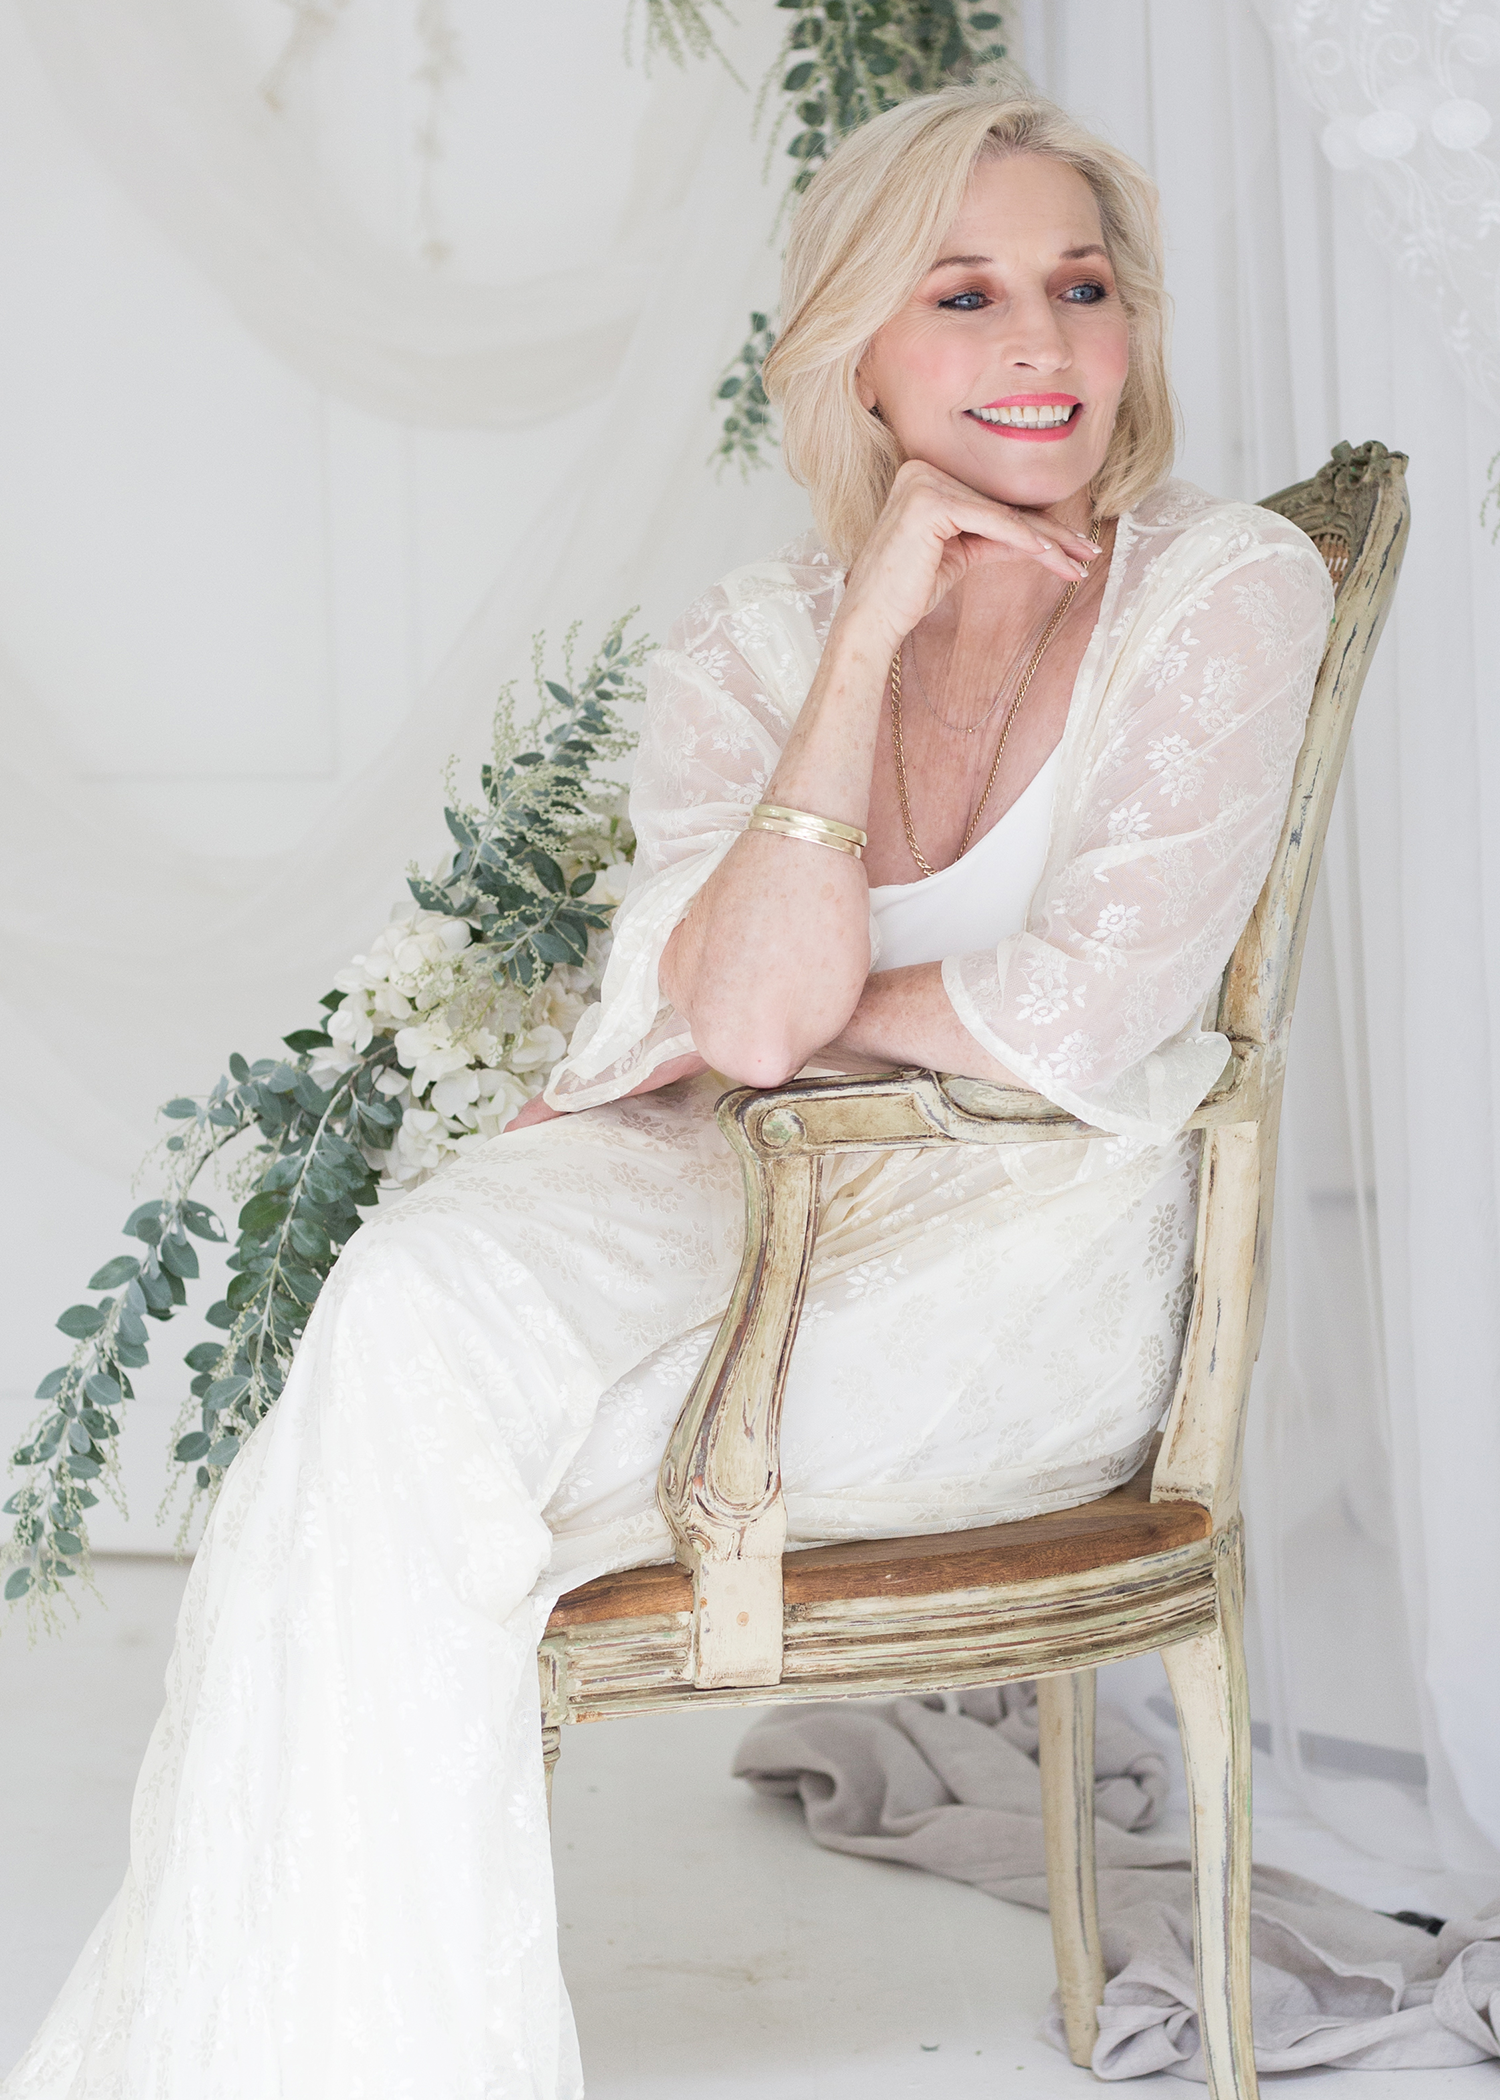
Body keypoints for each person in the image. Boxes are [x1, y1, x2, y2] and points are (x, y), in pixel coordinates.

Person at [3, 79, 1332, 2100]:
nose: (1043, 347)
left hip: (1016, 1259)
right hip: (716, 1188)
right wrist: (871, 630)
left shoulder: (1223, 589)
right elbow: (739, 1004)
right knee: (398, 1335)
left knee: (380, 1492)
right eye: (960, 297)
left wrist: (781, 1010)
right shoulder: (756, 641)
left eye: (1080, 286)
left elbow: (1068, 1014)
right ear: (857, 356)